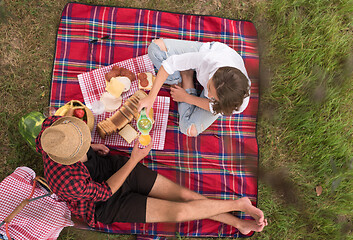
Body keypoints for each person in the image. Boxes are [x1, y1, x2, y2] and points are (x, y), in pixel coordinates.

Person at [35, 115, 267, 235]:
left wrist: (91, 146)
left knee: (184, 195)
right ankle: (239, 204)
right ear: (68, 159)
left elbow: (71, 141)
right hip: (104, 204)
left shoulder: (54, 129)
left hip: (110, 168)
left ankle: (237, 223)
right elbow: (105, 192)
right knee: (179, 211)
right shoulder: (65, 182)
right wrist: (135, 159)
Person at [138, 38, 251, 136]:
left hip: (216, 96)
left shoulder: (236, 103)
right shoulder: (207, 59)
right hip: (207, 53)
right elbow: (169, 64)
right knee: (155, 48)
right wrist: (151, 98)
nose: (208, 95)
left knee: (188, 129)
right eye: (209, 88)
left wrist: (186, 97)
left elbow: (213, 107)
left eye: (213, 97)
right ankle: (180, 77)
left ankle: (186, 77)